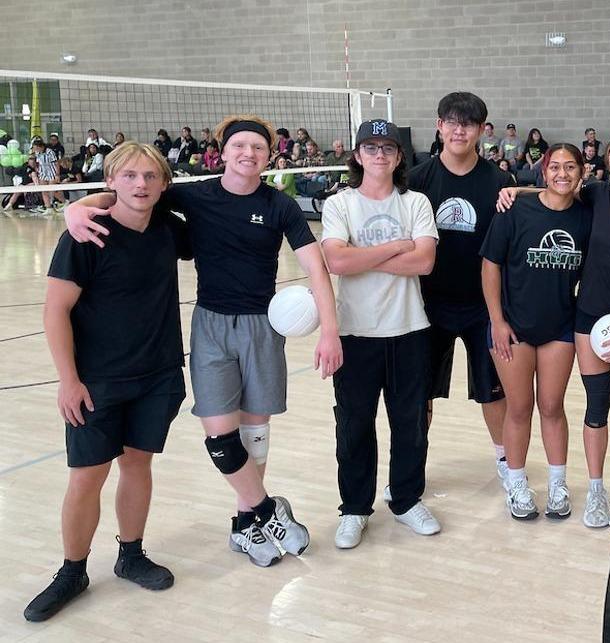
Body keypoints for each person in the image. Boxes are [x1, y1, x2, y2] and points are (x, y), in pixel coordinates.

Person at [65, 114, 342, 567]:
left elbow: (316, 268)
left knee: (254, 435)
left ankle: (245, 525)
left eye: (257, 147)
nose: (248, 154)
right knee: (220, 437)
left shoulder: (280, 206)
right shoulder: (195, 195)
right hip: (211, 325)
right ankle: (269, 512)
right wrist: (76, 206)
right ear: (224, 150)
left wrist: (329, 332)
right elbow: (131, 193)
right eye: (240, 146)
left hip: (262, 326)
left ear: (269, 154)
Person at [24, 143, 190, 622]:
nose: (140, 184)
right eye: (130, 176)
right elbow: (55, 310)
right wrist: (68, 380)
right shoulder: (85, 235)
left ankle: (130, 554)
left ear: (163, 184)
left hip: (157, 375)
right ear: (111, 181)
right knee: (87, 476)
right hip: (97, 381)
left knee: (138, 464)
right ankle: (72, 571)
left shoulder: (167, 229)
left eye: (150, 176)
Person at [498, 134, 610, 529]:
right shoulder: (598, 196)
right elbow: (558, 187)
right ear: (607, 167)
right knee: (597, 405)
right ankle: (597, 490)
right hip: (587, 320)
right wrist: (516, 189)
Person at [321, 120, 441, 548]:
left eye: (386, 148)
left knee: (410, 424)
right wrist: (396, 246)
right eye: (369, 147)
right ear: (357, 155)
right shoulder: (341, 205)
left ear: (397, 157)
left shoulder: (416, 202)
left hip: (409, 329)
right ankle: (354, 508)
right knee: (354, 426)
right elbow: (336, 261)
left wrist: (361, 255)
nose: (378, 155)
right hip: (355, 333)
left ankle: (407, 501)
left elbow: (424, 263)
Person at [409, 93, 516, 490]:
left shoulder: (499, 182)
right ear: (439, 125)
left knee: (493, 392)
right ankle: (412, 465)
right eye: (451, 122)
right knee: (420, 393)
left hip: (482, 307)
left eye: (467, 124)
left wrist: (518, 193)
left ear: (481, 130)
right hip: (425, 306)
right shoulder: (418, 180)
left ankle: (507, 461)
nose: (459, 130)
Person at [481, 143, 591, 520]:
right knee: (520, 407)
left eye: (570, 167)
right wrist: (497, 321)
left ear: (582, 171)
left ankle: (558, 484)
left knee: (551, 406)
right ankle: (516, 483)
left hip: (560, 326)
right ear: (543, 170)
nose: (562, 173)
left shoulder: (585, 216)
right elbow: (490, 266)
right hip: (513, 327)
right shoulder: (515, 211)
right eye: (555, 167)